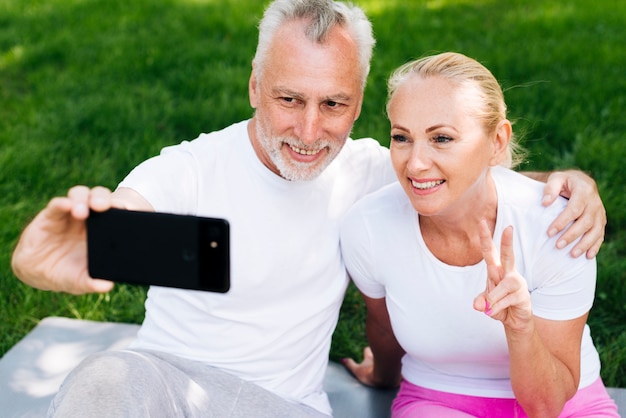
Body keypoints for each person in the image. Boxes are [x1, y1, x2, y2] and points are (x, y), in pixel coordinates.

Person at [10, 1, 605, 416]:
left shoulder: (377, 169)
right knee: (105, 378)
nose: (309, 131)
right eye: (289, 99)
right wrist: (59, 257)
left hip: (279, 407)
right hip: (164, 392)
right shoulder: (187, 169)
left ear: (359, 102)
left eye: (334, 104)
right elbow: (124, 214)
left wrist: (569, 181)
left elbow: (464, 171)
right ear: (253, 86)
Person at [339, 52, 618, 417]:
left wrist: (521, 327)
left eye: (441, 138)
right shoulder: (368, 227)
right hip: (438, 399)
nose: (416, 162)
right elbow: (384, 329)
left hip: (565, 401)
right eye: (401, 137)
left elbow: (547, 405)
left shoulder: (559, 227)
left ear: (498, 142)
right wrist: (381, 377)